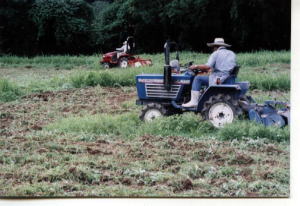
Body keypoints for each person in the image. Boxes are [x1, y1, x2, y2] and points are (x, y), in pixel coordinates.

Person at [182, 38, 237, 107]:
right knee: (206, 75)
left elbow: (208, 66)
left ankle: (194, 101)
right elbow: (225, 67)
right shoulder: (232, 53)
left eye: (213, 47)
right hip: (228, 77)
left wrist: (195, 66)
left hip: (218, 78)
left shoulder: (216, 53)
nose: (212, 49)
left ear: (215, 47)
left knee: (198, 78)